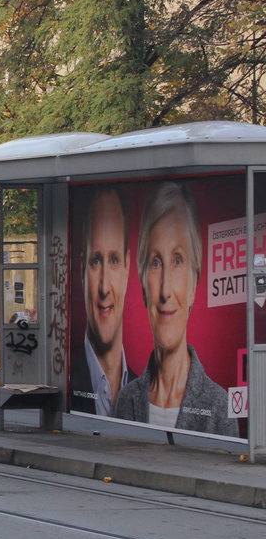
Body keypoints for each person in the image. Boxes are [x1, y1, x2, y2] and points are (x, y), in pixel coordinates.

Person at [114, 182, 238, 436]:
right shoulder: (127, 400)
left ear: (195, 282)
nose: (165, 290)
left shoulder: (219, 406)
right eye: (156, 262)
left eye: (178, 260)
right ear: (142, 281)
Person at [72, 186, 135, 416]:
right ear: (82, 270)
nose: (104, 287)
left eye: (114, 260)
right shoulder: (66, 382)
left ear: (128, 267)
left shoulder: (146, 390)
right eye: (95, 261)